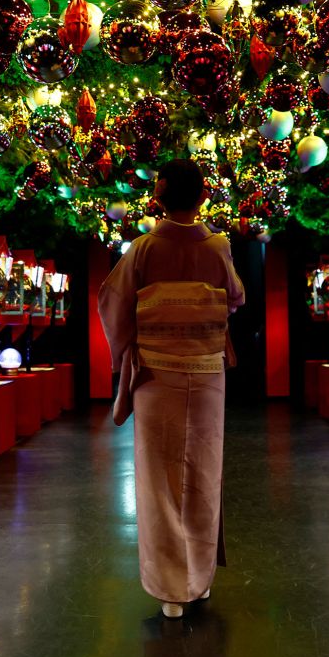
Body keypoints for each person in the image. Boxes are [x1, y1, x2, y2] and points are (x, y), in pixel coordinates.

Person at [98, 158, 245, 619]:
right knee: (202, 472)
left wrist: (124, 353)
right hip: (205, 374)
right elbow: (236, 296)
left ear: (158, 197)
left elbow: (114, 303)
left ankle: (169, 591)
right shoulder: (218, 246)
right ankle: (198, 581)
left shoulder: (142, 247)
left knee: (158, 479)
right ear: (203, 196)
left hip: (156, 376)